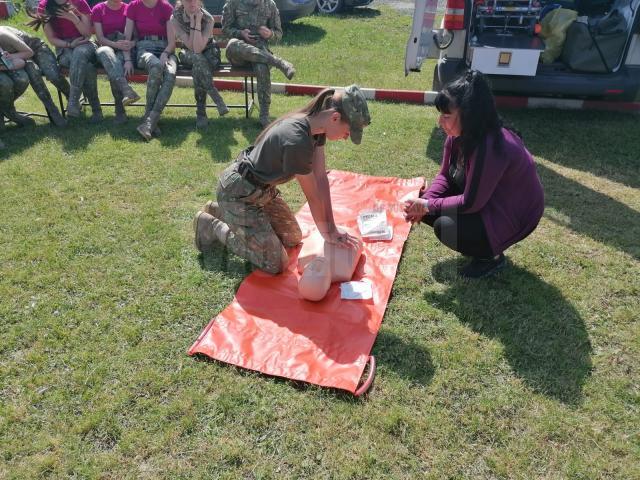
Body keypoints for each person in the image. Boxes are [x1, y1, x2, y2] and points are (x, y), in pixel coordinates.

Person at [194, 85, 371, 275]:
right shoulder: (297, 141)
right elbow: (313, 196)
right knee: (275, 262)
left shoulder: (317, 129)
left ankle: (223, 212)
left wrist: (332, 228)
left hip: (262, 192)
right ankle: (212, 226)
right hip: (238, 193)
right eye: (348, 132)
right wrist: (327, 234)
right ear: (334, 117)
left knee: (293, 238)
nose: (346, 138)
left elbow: (321, 179)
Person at [403, 71, 544, 279]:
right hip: (491, 202)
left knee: (445, 227)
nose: (439, 121)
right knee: (428, 209)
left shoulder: (491, 146)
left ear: (469, 114)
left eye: (446, 115)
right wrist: (424, 202)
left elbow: (471, 203)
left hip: (515, 215)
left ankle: (491, 256)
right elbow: (446, 176)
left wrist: (426, 206)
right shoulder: (460, 135)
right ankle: (482, 242)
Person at [222, 0, 296, 128]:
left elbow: (278, 34)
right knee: (232, 45)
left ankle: (264, 115)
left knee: (262, 68)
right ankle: (278, 62)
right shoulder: (234, 3)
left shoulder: (270, 5)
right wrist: (241, 33)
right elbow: (225, 29)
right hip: (239, 54)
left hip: (260, 54)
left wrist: (270, 34)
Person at [36, 0, 103, 122]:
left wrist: (73, 18)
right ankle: (96, 109)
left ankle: (73, 100)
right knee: (87, 67)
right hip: (65, 47)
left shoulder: (80, 2)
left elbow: (88, 33)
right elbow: (51, 39)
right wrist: (69, 44)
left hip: (85, 43)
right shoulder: (44, 6)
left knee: (79, 53)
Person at [170, 0, 229, 128]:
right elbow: (192, 47)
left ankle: (201, 113)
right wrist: (192, 23)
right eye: (187, 0)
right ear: (181, 2)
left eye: (194, 0)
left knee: (198, 65)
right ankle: (216, 98)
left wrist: (195, 22)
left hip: (209, 52)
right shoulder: (176, 18)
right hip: (188, 53)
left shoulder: (208, 19)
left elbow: (198, 48)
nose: (192, 3)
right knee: (197, 60)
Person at [124, 0, 176, 140]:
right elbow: (126, 39)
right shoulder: (133, 6)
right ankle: (150, 120)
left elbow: (172, 42)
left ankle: (149, 121)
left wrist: (165, 53)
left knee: (170, 74)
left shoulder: (166, 7)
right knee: (155, 65)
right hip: (144, 49)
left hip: (165, 49)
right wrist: (128, 59)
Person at [0, 26, 67, 127]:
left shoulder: (3, 35)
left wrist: (9, 57)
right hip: (19, 57)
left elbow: (29, 52)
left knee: (52, 75)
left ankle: (70, 99)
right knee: (30, 70)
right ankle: (53, 110)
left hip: (36, 48)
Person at [92, 0, 141, 125]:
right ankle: (126, 92)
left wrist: (132, 43)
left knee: (115, 64)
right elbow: (100, 38)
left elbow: (136, 36)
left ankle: (120, 111)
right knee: (105, 53)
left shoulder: (129, 8)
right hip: (107, 46)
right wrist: (115, 44)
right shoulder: (98, 9)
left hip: (125, 50)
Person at [297, 227, 363, 301]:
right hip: (349, 233)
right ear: (327, 286)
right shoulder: (345, 271)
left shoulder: (303, 259)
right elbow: (357, 241)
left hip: (326, 228)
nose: (317, 266)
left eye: (311, 269)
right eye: (318, 272)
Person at [0, 27, 35, 128]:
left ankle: (6, 110)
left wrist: (8, 58)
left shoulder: (3, 36)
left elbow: (21, 61)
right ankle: (10, 113)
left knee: (22, 79)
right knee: (5, 83)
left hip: (3, 67)